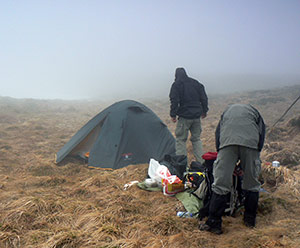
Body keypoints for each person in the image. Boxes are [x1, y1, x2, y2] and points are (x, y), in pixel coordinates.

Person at [199, 103, 265, 234]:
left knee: (220, 184)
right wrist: (255, 153)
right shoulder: (255, 112)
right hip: (250, 144)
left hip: (227, 143)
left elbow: (218, 134)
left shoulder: (226, 113)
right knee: (251, 184)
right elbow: (261, 135)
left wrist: (222, 153)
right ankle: (250, 220)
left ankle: (214, 223)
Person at [169, 67, 208, 163]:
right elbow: (204, 98)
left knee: (181, 140)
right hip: (196, 117)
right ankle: (202, 164)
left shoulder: (176, 85)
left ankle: (182, 166)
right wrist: (204, 111)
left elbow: (174, 100)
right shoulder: (196, 83)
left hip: (184, 117)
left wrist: (173, 115)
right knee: (196, 139)